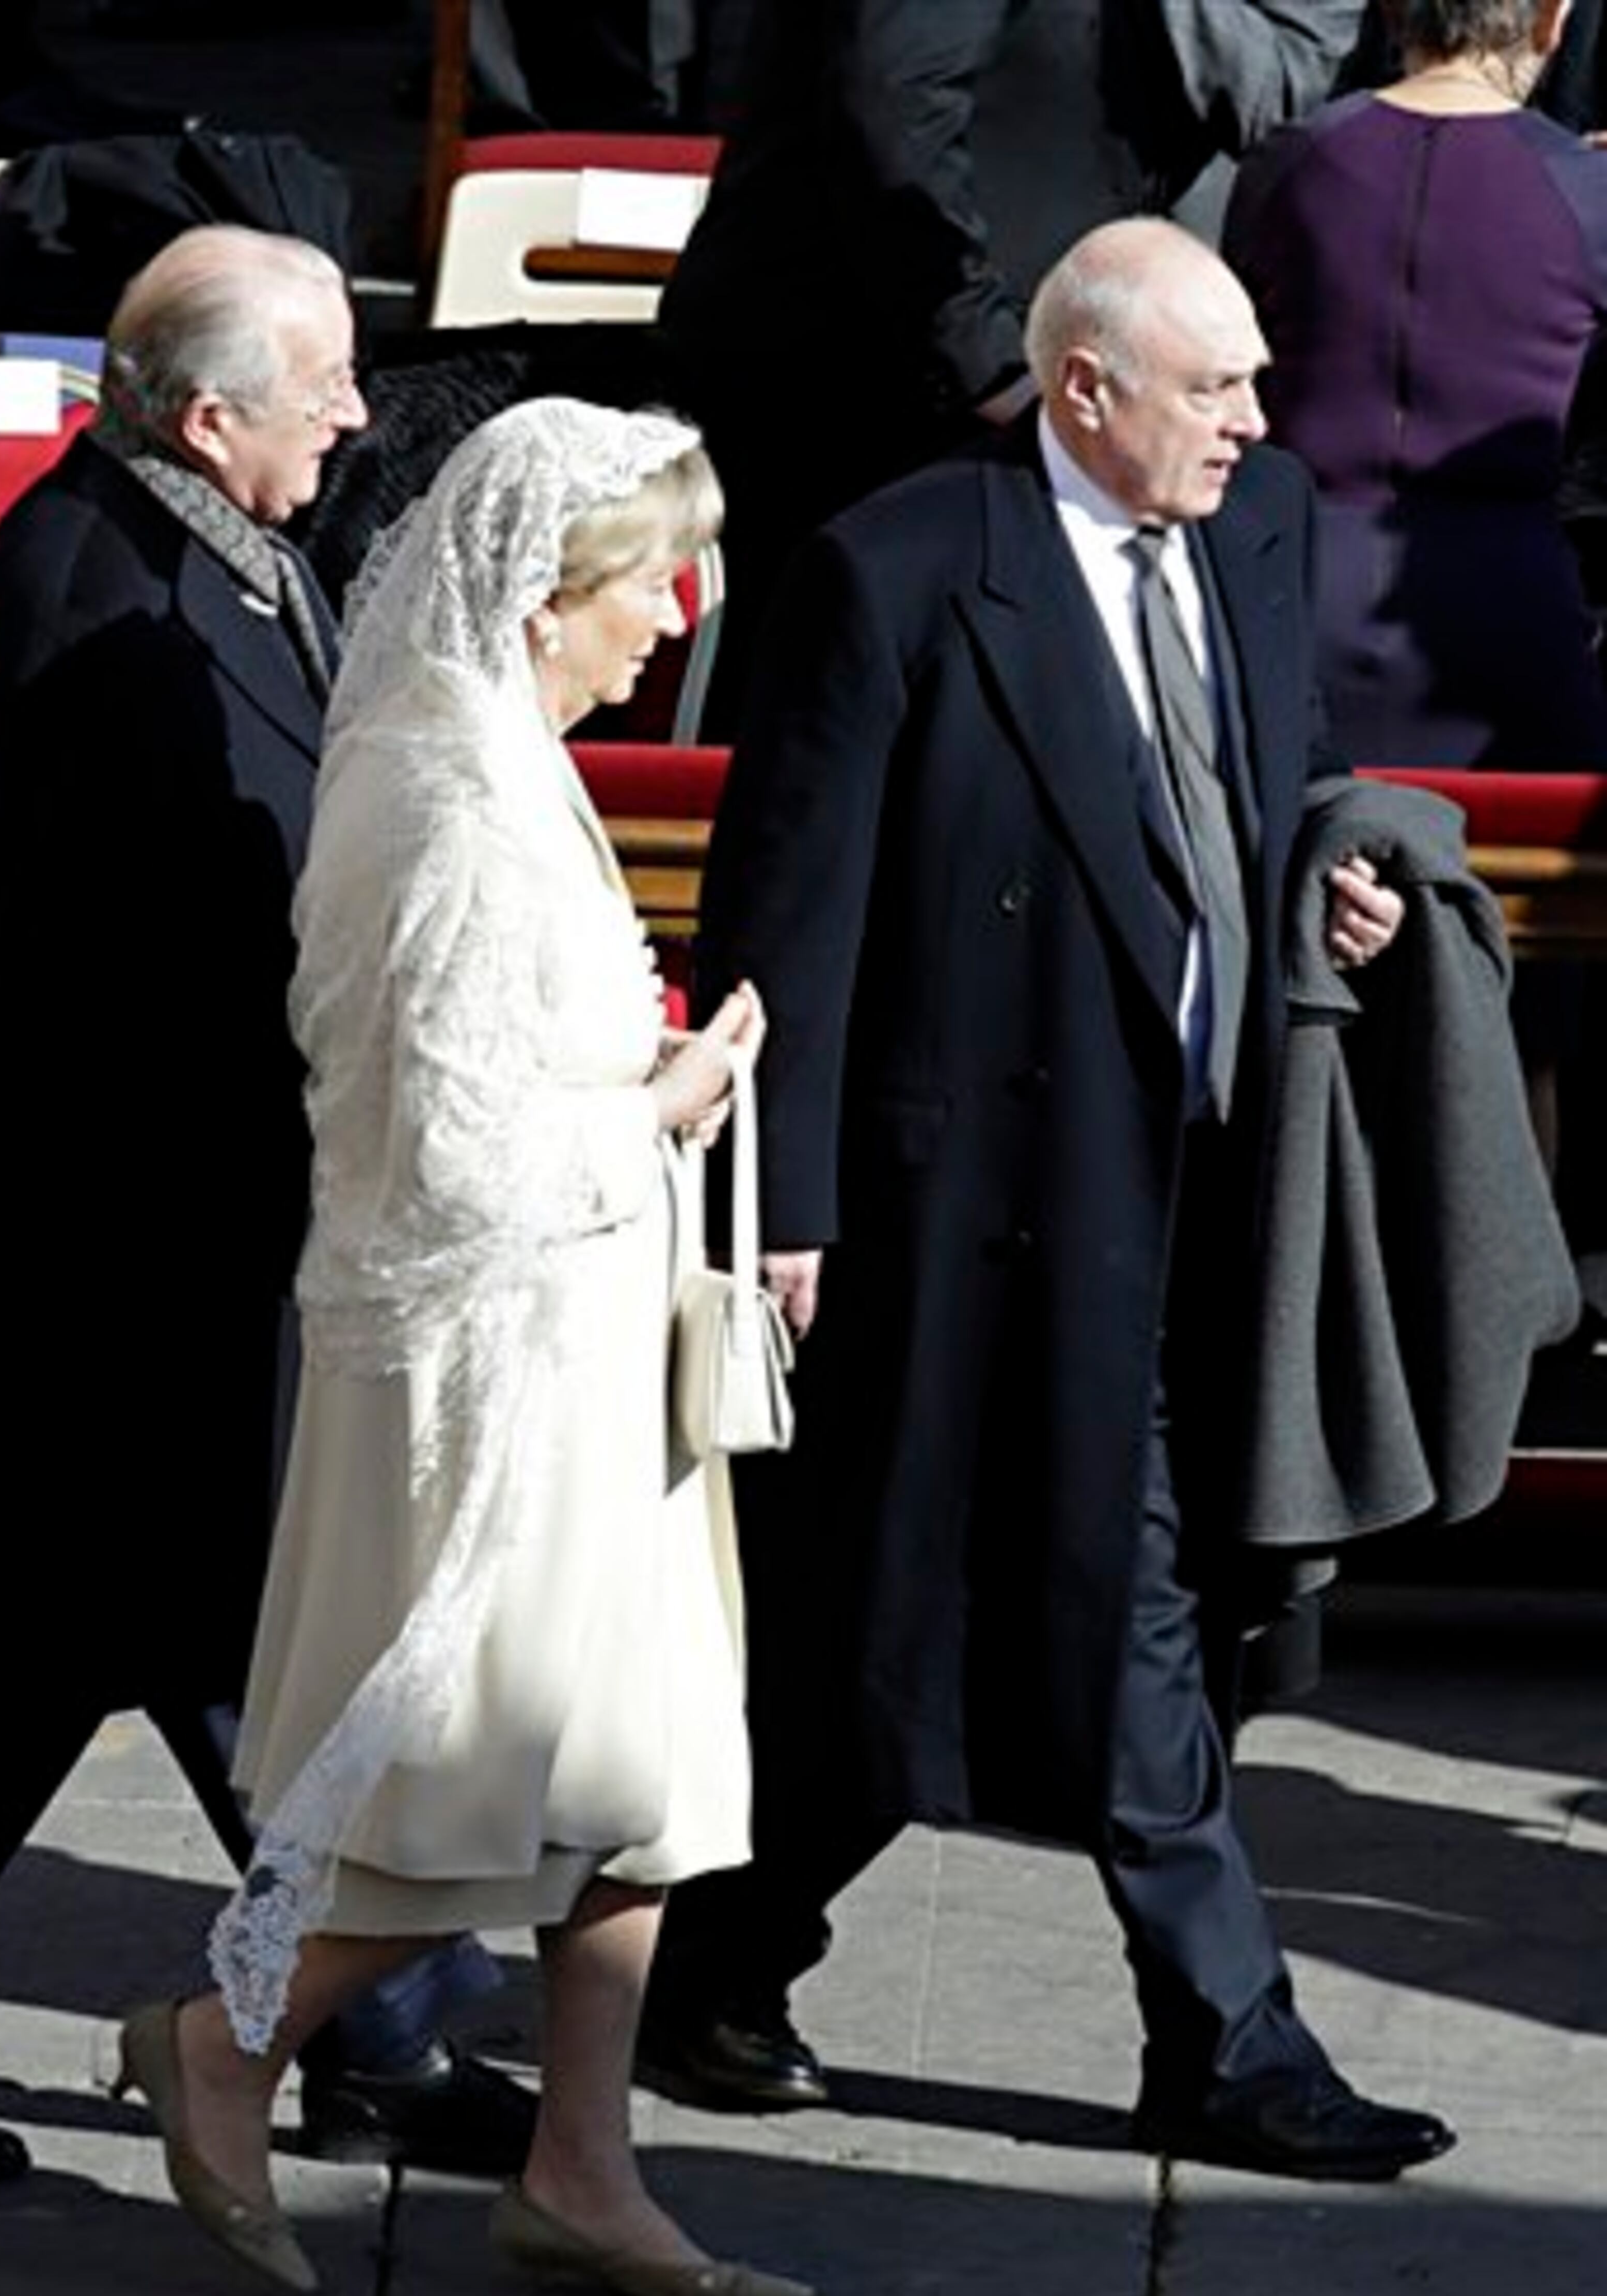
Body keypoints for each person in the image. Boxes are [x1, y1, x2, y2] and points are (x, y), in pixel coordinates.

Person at [0, 230, 527, 2188]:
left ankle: (357, 2018)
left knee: (163, 1657)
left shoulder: (197, 541)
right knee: (101, 1666)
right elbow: (186, 939)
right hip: (109, 1260)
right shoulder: (100, 593)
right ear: (209, 409)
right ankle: (342, 2024)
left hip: (152, 1247)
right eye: (321, 378)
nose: (354, 405)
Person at [641, 218, 1459, 2185]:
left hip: (1198, 1171)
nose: (1257, 421)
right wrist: (787, 1200)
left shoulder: (1253, 532)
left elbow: (1287, 767)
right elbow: (792, 909)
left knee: (944, 1620)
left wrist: (1333, 868)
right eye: (1215, 386)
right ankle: (1230, 2038)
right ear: (1082, 388)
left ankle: (719, 1957)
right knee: (1107, 1606)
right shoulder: (904, 565)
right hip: (979, 1194)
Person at [117, 397, 810, 2296]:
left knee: (654, 1777)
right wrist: (670, 1097)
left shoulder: (505, 757)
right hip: (492, 1371)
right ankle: (223, 2036)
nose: (674, 616)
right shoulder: (440, 793)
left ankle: (581, 2169)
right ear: (540, 596)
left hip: (592, 1348)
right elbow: (433, 1130)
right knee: (455, 1783)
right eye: (645, 581)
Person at [657, 0, 1369, 729]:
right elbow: (893, 100)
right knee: (830, 731)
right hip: (859, 387)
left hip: (965, 373)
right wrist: (992, 358)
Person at [1224, 0, 1607, 772]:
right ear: (1550, 22)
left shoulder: (1290, 159)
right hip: (1510, 616)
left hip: (1287, 600)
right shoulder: (1585, 191)